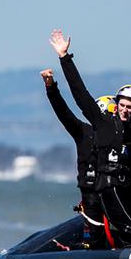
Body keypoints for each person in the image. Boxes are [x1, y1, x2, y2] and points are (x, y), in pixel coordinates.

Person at [49, 29, 131, 246]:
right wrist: (64, 57)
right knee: (129, 234)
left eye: (130, 107)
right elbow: (80, 93)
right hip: (108, 189)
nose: (125, 110)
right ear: (116, 106)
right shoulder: (103, 123)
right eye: (122, 105)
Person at [40, 68, 107, 249]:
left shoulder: (118, 134)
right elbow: (63, 112)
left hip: (114, 194)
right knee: (92, 242)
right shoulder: (83, 132)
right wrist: (50, 86)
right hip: (90, 195)